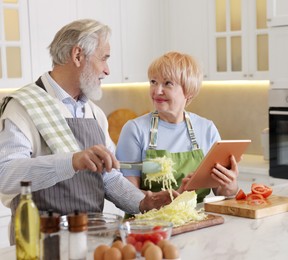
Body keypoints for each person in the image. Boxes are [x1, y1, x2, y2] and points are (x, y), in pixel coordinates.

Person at [0, 19, 174, 244]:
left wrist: (143, 202)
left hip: (91, 239)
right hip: (40, 242)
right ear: (78, 55)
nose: (107, 70)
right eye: (104, 58)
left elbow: (109, 177)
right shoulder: (22, 106)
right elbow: (5, 175)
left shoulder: (93, 113)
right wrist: (72, 161)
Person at [116, 51, 239, 203]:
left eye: (167, 83)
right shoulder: (135, 130)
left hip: (197, 220)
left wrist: (230, 186)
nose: (157, 91)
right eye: (153, 82)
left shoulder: (206, 129)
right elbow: (128, 195)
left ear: (188, 91)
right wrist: (169, 199)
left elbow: (221, 190)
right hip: (148, 222)